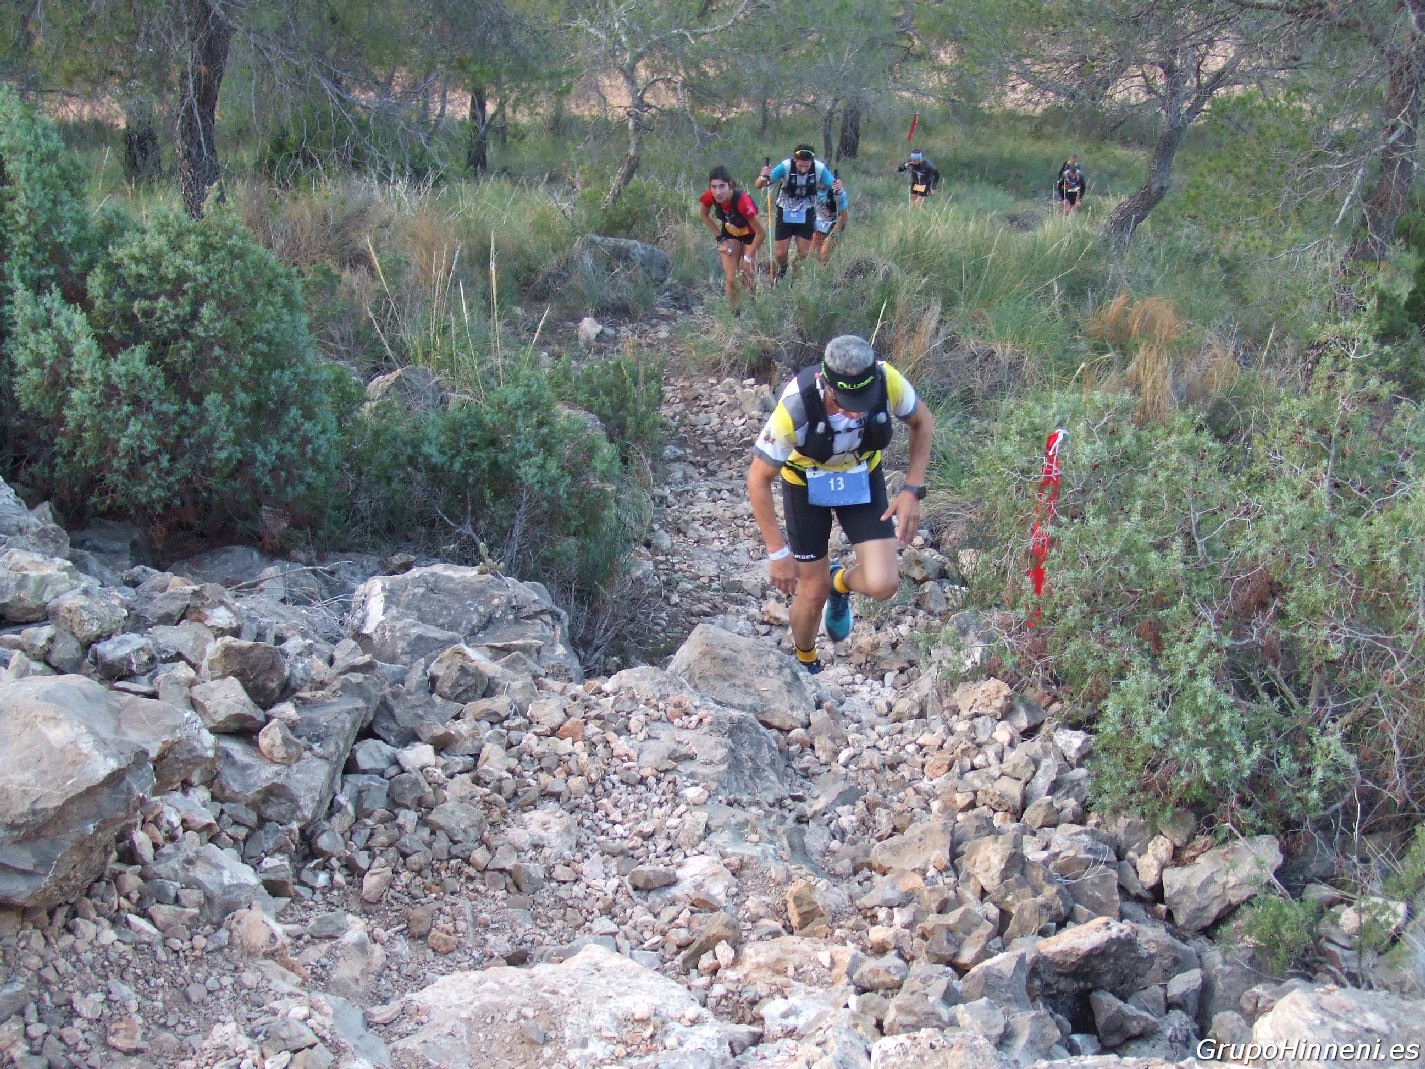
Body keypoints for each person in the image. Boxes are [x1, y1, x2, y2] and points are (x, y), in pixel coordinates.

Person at [747, 335, 935, 674]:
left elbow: (923, 421)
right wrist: (777, 552)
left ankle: (840, 582)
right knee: (812, 591)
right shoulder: (796, 405)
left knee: (883, 584)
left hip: (861, 476)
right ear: (826, 384)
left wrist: (912, 489)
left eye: (864, 401)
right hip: (805, 484)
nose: (857, 411)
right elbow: (758, 478)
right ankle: (806, 660)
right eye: (847, 402)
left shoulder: (888, 380)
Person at [755, 144, 841, 280]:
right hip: (785, 210)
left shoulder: (819, 169)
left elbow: (835, 187)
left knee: (803, 253)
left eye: (807, 166)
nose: (804, 169)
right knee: (780, 254)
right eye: (801, 166)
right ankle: (782, 270)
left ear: (812, 162)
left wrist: (838, 187)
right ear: (795, 160)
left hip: (806, 211)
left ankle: (794, 279)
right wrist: (762, 176)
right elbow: (759, 184)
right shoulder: (785, 167)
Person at [699, 166, 767, 305]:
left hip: (752, 235)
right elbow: (704, 215)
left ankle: (754, 305)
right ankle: (734, 312)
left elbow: (762, 232)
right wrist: (720, 238)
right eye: (714, 187)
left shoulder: (742, 201)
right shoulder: (710, 196)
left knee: (749, 274)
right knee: (731, 278)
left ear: (730, 185)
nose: (718, 192)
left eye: (722, 186)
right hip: (730, 233)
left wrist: (748, 256)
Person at [811, 179, 849, 265]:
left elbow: (844, 215)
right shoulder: (811, 187)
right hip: (818, 223)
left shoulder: (836, 191)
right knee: (811, 254)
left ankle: (825, 269)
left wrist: (834, 233)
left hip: (833, 223)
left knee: (824, 254)